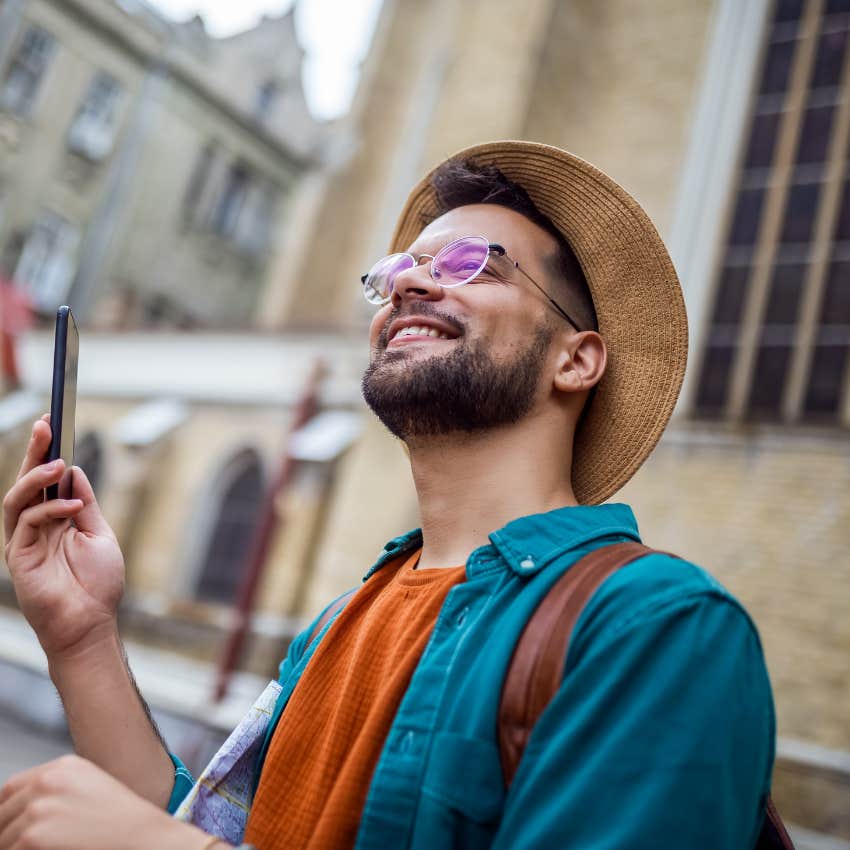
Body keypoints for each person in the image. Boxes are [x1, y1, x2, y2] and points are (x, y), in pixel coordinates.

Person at [0, 141, 774, 850]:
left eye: (474, 262)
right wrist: (81, 636)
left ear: (576, 359)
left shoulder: (659, 627)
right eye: (392, 271)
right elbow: (210, 829)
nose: (405, 281)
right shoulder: (347, 616)